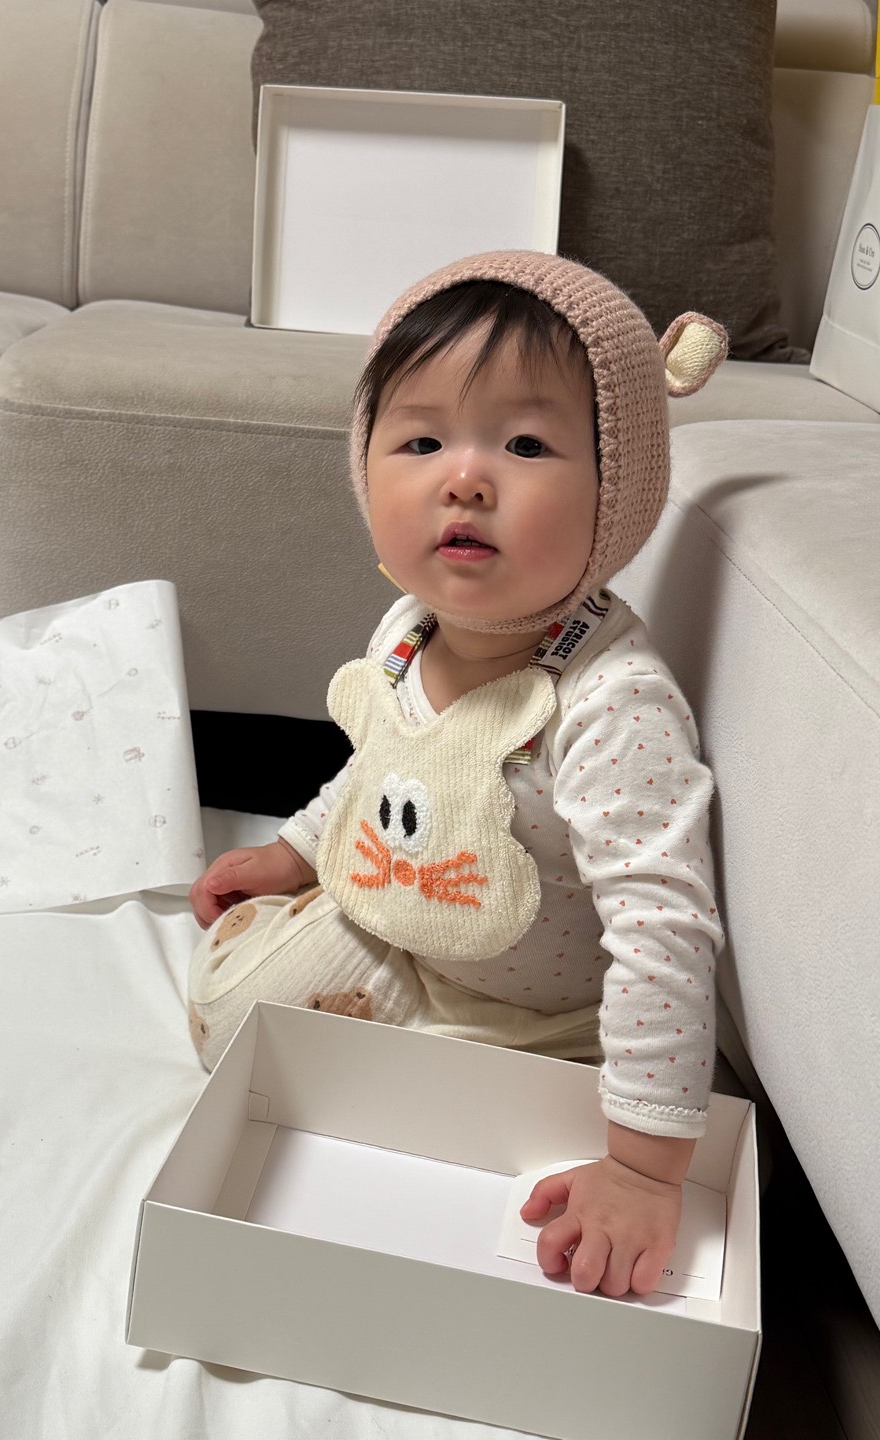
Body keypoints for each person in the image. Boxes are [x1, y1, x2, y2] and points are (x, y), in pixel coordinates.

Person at [187, 250, 728, 1300]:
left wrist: (643, 1168)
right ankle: (395, 1013)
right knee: (228, 1012)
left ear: (618, 488)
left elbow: (663, 929)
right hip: (410, 933)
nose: (465, 479)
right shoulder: (408, 631)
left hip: (554, 1026)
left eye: (525, 445)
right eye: (422, 441)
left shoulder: (614, 705)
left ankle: (523, 1097)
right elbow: (386, 767)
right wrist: (295, 851)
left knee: (530, 1149)